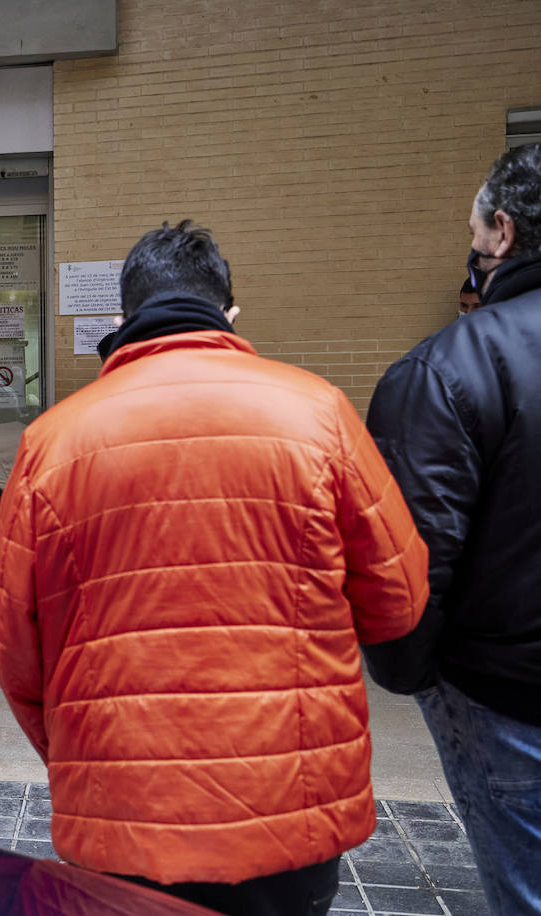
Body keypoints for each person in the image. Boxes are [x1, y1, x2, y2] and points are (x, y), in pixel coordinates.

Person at [0, 220, 429, 916]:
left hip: (124, 803)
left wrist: (83, 752)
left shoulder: (53, 442)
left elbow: (16, 646)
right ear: (228, 314)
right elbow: (398, 600)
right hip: (290, 801)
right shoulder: (319, 415)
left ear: (121, 319)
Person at [364, 144, 541, 916]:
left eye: (472, 234)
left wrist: (408, 669)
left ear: (502, 232)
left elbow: (408, 559)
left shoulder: (451, 367)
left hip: (508, 697)